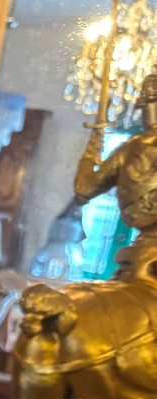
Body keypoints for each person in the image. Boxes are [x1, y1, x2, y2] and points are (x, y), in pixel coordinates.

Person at [74, 73, 157, 286]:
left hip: (137, 252)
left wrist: (93, 145)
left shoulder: (129, 147)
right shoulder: (130, 147)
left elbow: (84, 189)